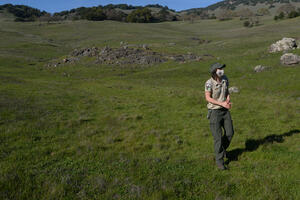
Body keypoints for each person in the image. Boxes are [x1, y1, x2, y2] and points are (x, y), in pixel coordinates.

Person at [204, 63, 234, 170]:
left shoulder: (225, 79)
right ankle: (220, 162)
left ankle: (222, 149)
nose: (222, 70)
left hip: (225, 111)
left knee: (230, 133)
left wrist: (228, 100)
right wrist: (221, 103)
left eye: (222, 68)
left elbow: (227, 91)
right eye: (219, 69)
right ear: (214, 71)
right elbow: (207, 97)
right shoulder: (209, 83)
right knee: (218, 138)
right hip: (214, 112)